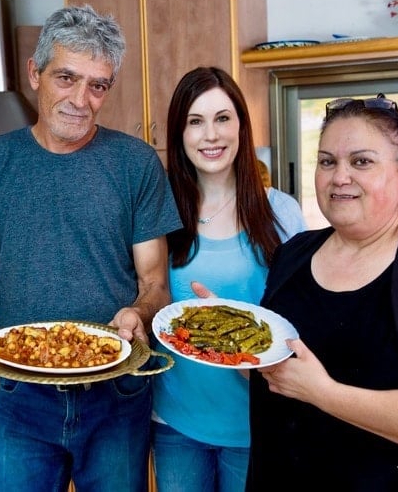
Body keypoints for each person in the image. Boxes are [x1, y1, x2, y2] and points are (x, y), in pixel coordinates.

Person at [0, 4, 182, 492]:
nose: (80, 99)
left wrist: (140, 313)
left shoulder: (137, 164)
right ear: (34, 73)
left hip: (118, 393)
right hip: (21, 394)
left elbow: (154, 282)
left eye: (97, 85)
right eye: (66, 77)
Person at [228, 94, 398, 490]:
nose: (340, 177)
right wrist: (232, 345)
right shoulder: (294, 254)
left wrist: (324, 393)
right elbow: (283, 376)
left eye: (361, 161)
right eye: (327, 161)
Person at [151, 66, 306, 492]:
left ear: (241, 125)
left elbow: (304, 317)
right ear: (179, 133)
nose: (211, 135)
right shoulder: (158, 212)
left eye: (223, 118)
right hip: (176, 425)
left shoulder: (281, 212)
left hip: (257, 426)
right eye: (195, 122)